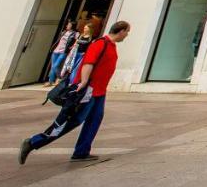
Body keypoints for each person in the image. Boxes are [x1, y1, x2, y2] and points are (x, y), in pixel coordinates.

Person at [20, 20, 130, 165]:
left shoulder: (111, 45)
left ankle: (81, 152)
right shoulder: (100, 43)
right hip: (88, 91)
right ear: (121, 31)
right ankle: (33, 142)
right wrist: (83, 82)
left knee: (94, 121)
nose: (127, 35)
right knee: (72, 121)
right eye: (127, 31)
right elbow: (88, 63)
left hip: (99, 92)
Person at [46, 21, 78, 85]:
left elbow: (78, 40)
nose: (67, 26)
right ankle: (50, 81)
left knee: (55, 66)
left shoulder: (75, 33)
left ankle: (59, 78)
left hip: (63, 51)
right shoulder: (64, 32)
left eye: (68, 25)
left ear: (72, 26)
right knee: (53, 66)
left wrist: (72, 46)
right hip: (56, 50)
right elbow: (58, 40)